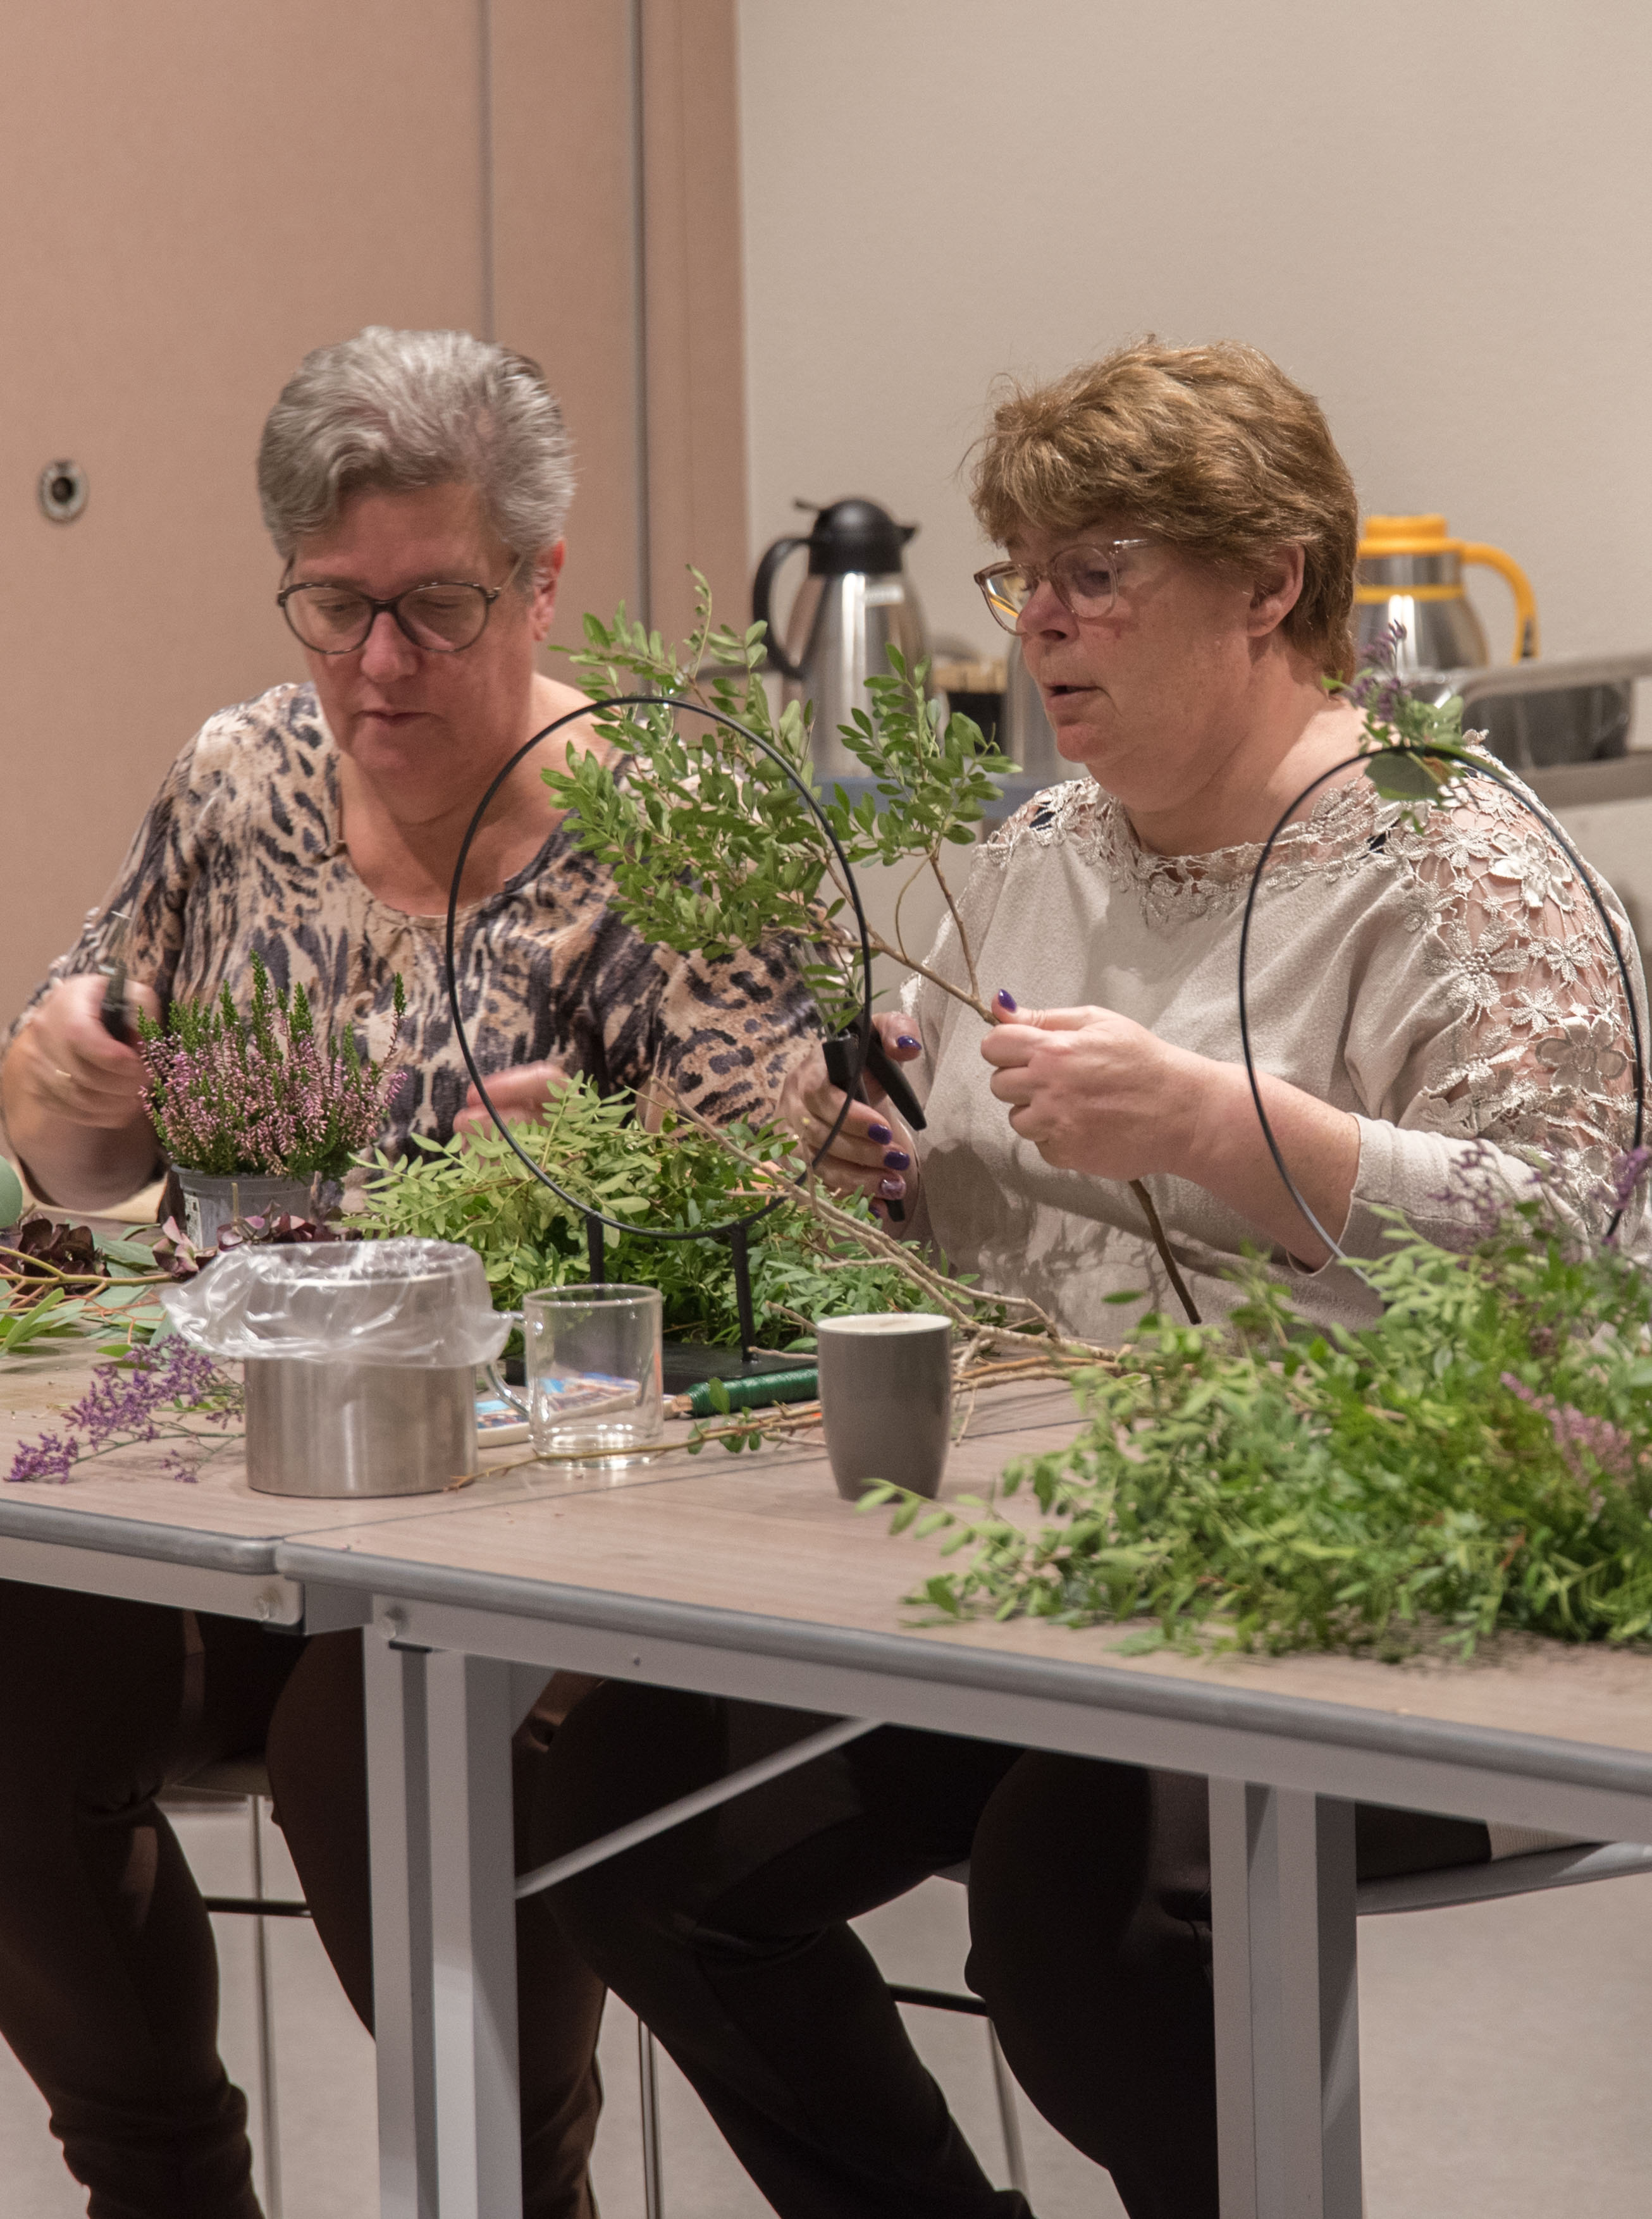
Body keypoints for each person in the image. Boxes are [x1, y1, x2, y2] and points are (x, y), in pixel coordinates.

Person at [529, 341, 1646, 2218]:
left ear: (1271, 582)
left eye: (1096, 575)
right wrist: (863, 1160)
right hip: (1050, 1566)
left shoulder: (1466, 868)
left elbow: (1573, 1266)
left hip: (1394, 1579)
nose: (1039, 625)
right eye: (1022, 577)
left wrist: (1227, 1127)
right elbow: (971, 1235)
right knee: (626, 1813)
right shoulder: (1035, 859)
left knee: (1079, 1904)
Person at [0, 326, 814, 2218]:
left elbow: (770, 1267)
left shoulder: (665, 838)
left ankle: (512, 2192)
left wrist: (592, 1188)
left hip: (548, 1521)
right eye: (334, 606)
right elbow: (84, 1163)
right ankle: (159, 2184)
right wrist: (73, 1095)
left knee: (381, 1739)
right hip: (230, 1479)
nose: (379, 663)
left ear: (540, 581)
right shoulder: (238, 783)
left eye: (437, 606)